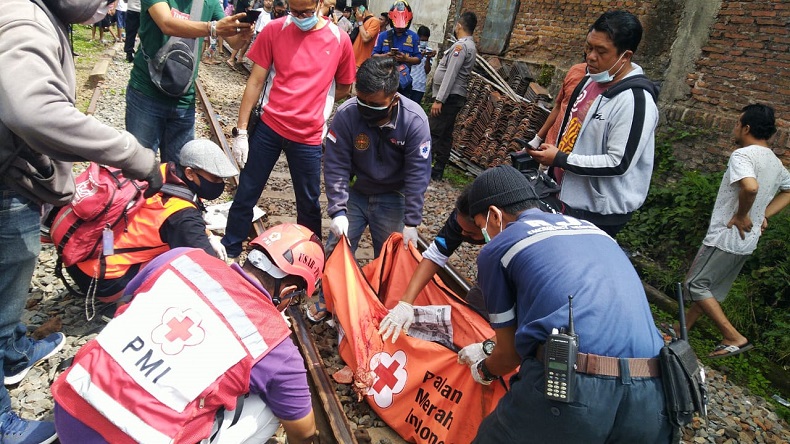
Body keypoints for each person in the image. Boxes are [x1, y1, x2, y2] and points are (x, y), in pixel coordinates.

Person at [0, 1, 162, 441]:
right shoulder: (25, 20)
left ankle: (12, 351)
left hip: (11, 175)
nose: (114, 6)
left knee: (13, 272)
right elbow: (33, 110)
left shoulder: (38, 14)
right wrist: (130, 153)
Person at [52, 223, 324, 444]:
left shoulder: (183, 257)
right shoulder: (276, 345)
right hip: (130, 438)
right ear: (288, 293)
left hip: (70, 405)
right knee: (269, 408)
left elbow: (126, 303)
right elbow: (303, 431)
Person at [459, 165, 671, 443]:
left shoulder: (499, 247)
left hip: (576, 388)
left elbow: (509, 356)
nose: (481, 236)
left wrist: (484, 369)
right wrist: (490, 345)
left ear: (495, 216)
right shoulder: (594, 230)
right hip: (656, 392)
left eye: (479, 226)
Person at [223, 0, 356, 259]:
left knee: (308, 203)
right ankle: (230, 248)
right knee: (247, 191)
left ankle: (310, 260)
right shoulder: (274, 30)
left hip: (308, 137)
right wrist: (241, 131)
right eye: (294, 11)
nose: (299, 17)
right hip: (269, 127)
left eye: (305, 12)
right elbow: (256, 81)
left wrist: (316, 101)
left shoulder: (339, 40)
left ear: (319, 4)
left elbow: (344, 87)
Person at [309, 56, 432, 322]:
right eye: (362, 100)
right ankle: (327, 300)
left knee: (390, 259)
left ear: (393, 97)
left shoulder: (414, 121)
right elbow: (335, 164)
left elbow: (417, 174)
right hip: (357, 192)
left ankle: (381, 307)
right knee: (337, 248)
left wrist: (412, 221)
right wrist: (338, 210)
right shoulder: (347, 115)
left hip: (393, 196)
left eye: (374, 104)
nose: (366, 108)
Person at [529, 10, 659, 237]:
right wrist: (550, 163)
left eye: (601, 51)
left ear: (625, 56)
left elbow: (618, 162)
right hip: (560, 195)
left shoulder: (636, 101)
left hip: (596, 212)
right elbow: (569, 130)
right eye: (589, 47)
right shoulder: (588, 81)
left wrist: (560, 159)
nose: (590, 56)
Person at [65, 139, 239, 303]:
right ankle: (124, 302)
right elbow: (208, 270)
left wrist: (207, 234)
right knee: (181, 265)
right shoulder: (182, 216)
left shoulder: (161, 171)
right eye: (215, 179)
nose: (220, 184)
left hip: (84, 258)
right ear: (190, 173)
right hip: (104, 281)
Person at [680, 104, 790, 359]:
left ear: (746, 127)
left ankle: (733, 337)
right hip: (747, 241)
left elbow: (750, 188)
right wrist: (762, 215)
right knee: (710, 288)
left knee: (695, 284)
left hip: (725, 236)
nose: (734, 127)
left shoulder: (742, 156)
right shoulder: (774, 161)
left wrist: (742, 215)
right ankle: (680, 328)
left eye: (737, 123)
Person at [125, 0, 253, 164]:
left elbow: (233, 41)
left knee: (179, 172)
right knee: (138, 166)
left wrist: (243, 35)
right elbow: (166, 23)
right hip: (146, 93)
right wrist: (212, 28)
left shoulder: (210, 3)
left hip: (183, 99)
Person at [378, 185, 485, 341]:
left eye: (470, 233)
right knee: (474, 311)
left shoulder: (515, 239)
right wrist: (405, 302)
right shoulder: (462, 217)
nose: (462, 234)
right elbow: (436, 254)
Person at [429, 11, 477, 181]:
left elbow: (451, 73)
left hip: (449, 97)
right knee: (445, 134)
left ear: (459, 25)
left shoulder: (461, 46)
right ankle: (438, 170)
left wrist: (439, 99)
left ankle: (422, 168)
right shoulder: (467, 45)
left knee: (433, 132)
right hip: (454, 96)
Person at [525, 62, 587, 184]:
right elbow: (558, 106)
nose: (592, 56)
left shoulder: (609, 87)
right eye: (589, 48)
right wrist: (538, 138)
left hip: (569, 159)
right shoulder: (575, 71)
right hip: (550, 146)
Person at [372, 1, 421, 96]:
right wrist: (386, 56)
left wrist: (406, 59)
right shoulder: (383, 36)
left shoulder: (414, 37)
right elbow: (373, 55)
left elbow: (418, 58)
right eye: (396, 26)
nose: (399, 28)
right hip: (383, 81)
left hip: (403, 83)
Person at [409, 25, 436, 105]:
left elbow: (427, 70)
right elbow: (408, 63)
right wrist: (419, 56)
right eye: (422, 40)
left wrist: (428, 58)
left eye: (426, 40)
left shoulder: (429, 50)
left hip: (420, 86)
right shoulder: (412, 48)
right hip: (409, 83)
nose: (424, 42)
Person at [351, 0, 379, 68]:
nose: (355, 13)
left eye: (355, 10)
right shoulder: (361, 21)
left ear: (361, 8)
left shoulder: (374, 21)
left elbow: (365, 38)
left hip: (361, 65)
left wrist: (360, 22)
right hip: (352, 62)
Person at [226, 0, 252, 68]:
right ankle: (231, 59)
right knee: (241, 39)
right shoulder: (246, 1)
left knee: (246, 40)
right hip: (242, 21)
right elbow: (249, 9)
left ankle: (239, 58)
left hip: (241, 20)